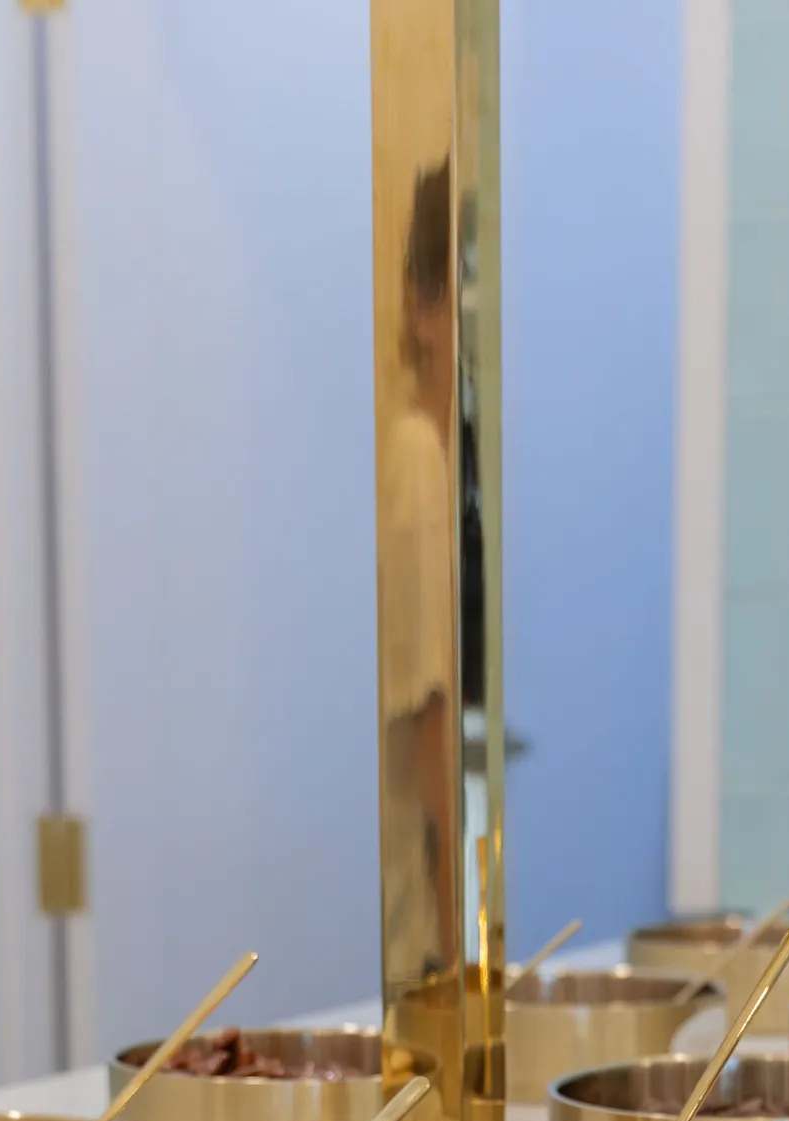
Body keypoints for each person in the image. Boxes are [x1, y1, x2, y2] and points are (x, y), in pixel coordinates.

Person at [376, 160, 457, 981]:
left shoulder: (455, 464)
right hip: (421, 927)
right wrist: (464, 949)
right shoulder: (417, 458)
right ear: (423, 305)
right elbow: (430, 713)